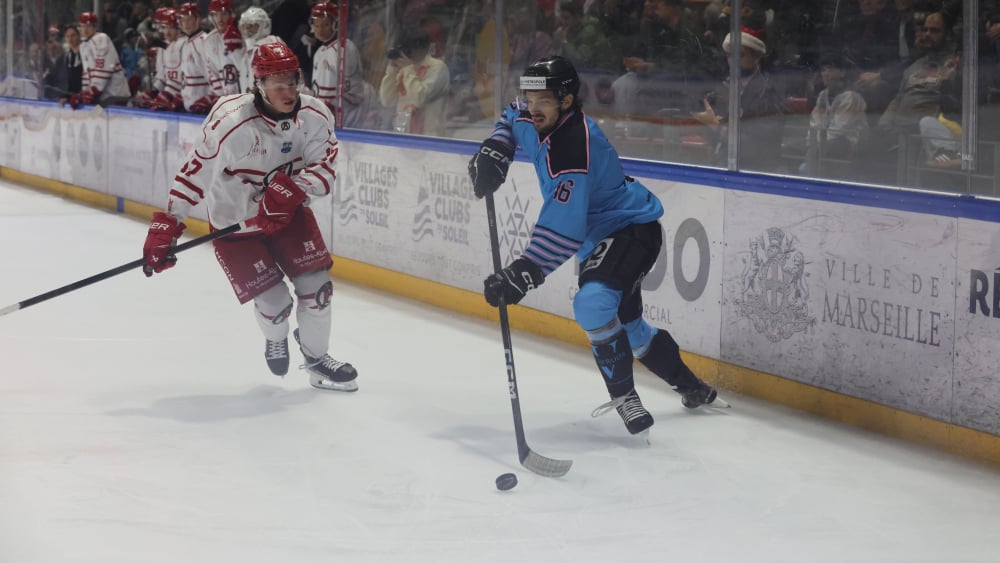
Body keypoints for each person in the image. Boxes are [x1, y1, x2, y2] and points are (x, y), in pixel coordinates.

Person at [467, 56, 720, 436]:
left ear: (567, 101)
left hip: (631, 227)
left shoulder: (573, 146)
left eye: (544, 101)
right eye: (530, 98)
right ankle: (693, 387)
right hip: (601, 237)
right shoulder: (534, 114)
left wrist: (523, 272)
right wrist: (496, 148)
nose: (533, 108)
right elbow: (512, 114)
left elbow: (563, 227)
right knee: (630, 327)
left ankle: (625, 397)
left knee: (592, 303)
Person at [140, 42, 358, 392]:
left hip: (289, 216)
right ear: (257, 84)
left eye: (292, 82)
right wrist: (167, 226)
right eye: (277, 84)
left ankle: (318, 361)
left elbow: (326, 169)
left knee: (317, 291)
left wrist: (288, 192)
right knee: (276, 305)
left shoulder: (315, 116)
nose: (288, 92)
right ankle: (276, 335)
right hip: (235, 221)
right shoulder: (230, 121)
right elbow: (194, 174)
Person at [378, 28, 450, 136]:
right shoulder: (404, 67)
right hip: (403, 136)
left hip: (430, 138)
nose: (404, 54)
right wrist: (392, 71)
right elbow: (387, 100)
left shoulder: (438, 68)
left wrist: (408, 70)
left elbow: (419, 99)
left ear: (422, 49)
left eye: (407, 49)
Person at [309, 1, 370, 128]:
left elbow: (353, 93)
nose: (320, 29)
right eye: (317, 25)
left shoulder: (345, 49)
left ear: (335, 24)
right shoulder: (319, 52)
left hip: (346, 123)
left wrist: (331, 109)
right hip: (324, 119)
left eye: (325, 24)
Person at [69, 11, 131, 109]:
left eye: (88, 26)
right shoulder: (83, 45)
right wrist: (84, 92)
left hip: (115, 96)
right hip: (102, 98)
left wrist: (93, 92)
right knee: (95, 118)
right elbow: (87, 72)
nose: (85, 30)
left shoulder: (102, 39)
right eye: (82, 26)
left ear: (94, 26)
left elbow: (104, 69)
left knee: (111, 122)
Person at [202, 0, 244, 97]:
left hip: (245, 93)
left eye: (223, 14)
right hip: (225, 97)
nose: (219, 19)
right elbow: (212, 71)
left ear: (231, 15)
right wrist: (220, 96)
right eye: (215, 15)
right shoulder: (209, 40)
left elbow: (247, 69)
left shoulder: (243, 34)